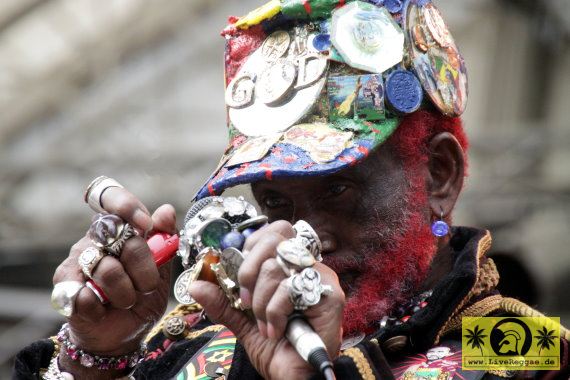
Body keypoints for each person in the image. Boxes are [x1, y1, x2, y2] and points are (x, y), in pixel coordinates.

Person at [13, 1, 570, 379]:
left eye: (339, 189)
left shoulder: (521, 348)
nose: (298, 236)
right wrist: (95, 352)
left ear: (440, 174)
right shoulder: (199, 329)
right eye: (275, 200)